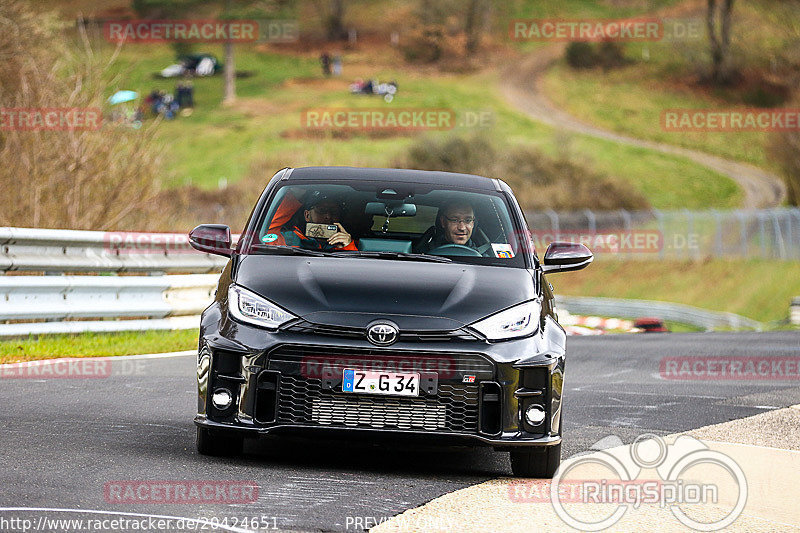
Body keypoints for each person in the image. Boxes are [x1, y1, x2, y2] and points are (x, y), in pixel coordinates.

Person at [263, 190, 357, 251]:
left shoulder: (353, 244)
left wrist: (348, 247)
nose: (328, 216)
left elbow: (354, 273)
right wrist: (295, 195)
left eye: (334, 212)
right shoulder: (289, 239)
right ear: (307, 215)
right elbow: (266, 230)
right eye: (321, 210)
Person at [414, 200, 480, 253]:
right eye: (455, 220)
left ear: (473, 223)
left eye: (468, 220)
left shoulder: (484, 259)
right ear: (443, 222)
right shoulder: (424, 254)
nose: (462, 228)